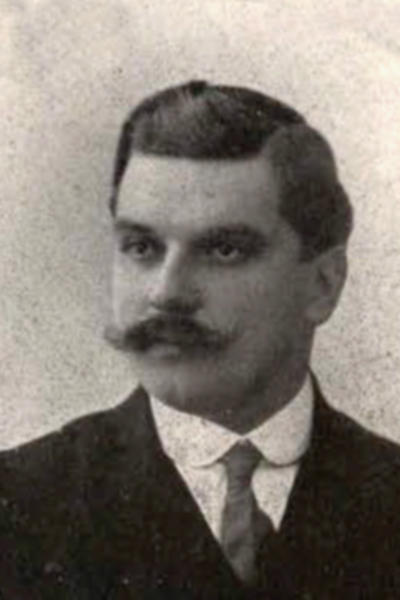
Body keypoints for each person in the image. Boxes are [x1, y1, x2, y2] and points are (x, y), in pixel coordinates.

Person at [1, 80, 400, 600]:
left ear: (322, 285)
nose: (166, 293)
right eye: (141, 246)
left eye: (224, 250)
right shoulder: (20, 506)